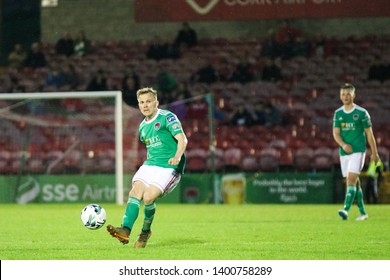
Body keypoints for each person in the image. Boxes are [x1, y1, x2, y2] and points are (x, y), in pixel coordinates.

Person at [107, 87, 188, 248]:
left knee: (149, 197)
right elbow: (152, 149)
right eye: (141, 102)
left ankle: (145, 232)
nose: (145, 105)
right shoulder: (142, 127)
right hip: (151, 164)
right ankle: (125, 229)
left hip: (169, 167)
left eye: (148, 101)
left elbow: (182, 139)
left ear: (156, 102)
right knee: (135, 192)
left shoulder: (167, 117)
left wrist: (177, 156)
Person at [333, 83, 380, 221]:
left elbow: (369, 134)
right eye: (343, 94)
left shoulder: (361, 113)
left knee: (351, 180)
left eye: (348, 94)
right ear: (340, 96)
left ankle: (345, 210)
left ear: (354, 95)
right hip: (344, 152)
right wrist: (343, 144)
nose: (345, 97)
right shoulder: (338, 113)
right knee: (355, 182)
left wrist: (374, 153)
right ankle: (363, 212)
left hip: (358, 151)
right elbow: (336, 133)